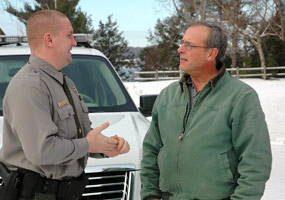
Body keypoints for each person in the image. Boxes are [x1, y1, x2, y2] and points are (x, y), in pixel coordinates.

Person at [0, 10, 130, 200]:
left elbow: (78, 137)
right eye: (69, 35)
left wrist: (106, 147)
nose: (74, 42)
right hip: (36, 194)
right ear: (49, 40)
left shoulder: (64, 83)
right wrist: (87, 145)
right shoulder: (30, 86)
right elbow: (42, 151)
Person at [140, 21, 272, 200]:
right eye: (182, 43)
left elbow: (256, 162)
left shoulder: (241, 97)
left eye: (189, 45)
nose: (180, 49)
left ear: (211, 53)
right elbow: (151, 150)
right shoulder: (167, 96)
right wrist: (150, 195)